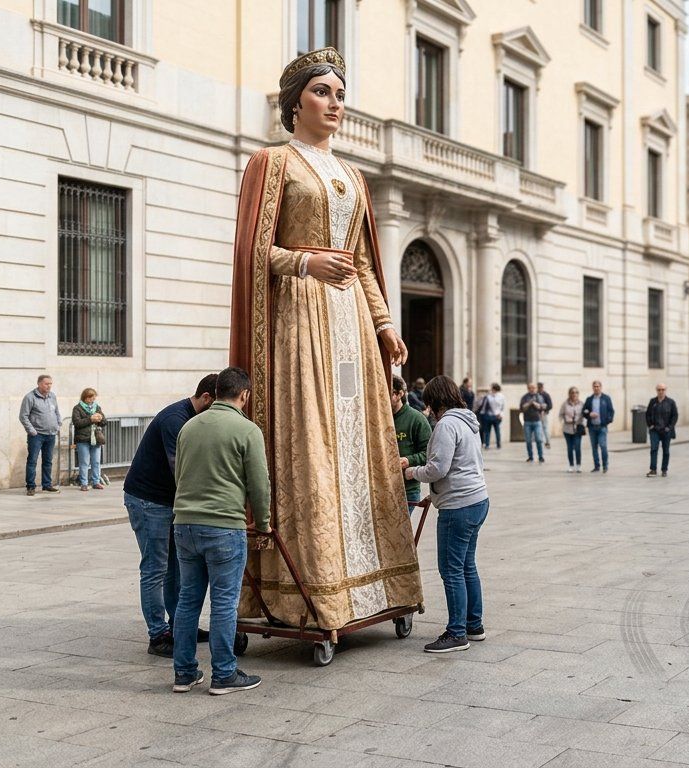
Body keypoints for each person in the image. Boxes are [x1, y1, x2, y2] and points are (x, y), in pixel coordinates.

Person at [228, 47, 422, 632]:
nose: (335, 103)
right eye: (321, 92)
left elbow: (362, 261)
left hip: (351, 327)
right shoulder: (272, 163)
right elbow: (252, 252)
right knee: (311, 441)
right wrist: (306, 263)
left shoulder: (354, 176)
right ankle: (308, 591)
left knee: (361, 442)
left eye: (339, 93)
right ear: (295, 103)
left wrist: (385, 325)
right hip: (300, 318)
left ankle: (373, 584)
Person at [171, 366, 269, 695]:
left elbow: (179, 475)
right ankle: (224, 673)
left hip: (185, 523)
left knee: (188, 601)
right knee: (225, 603)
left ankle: (184, 672)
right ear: (244, 395)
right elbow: (259, 485)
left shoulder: (189, 427)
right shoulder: (246, 430)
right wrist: (264, 522)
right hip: (224, 525)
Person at [124, 373, 218, 658]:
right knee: (155, 568)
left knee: (175, 567)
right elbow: (182, 470)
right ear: (205, 398)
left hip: (168, 502)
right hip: (148, 501)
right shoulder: (175, 421)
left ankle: (180, 626)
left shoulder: (191, 418)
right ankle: (158, 635)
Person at [405, 376, 490, 653]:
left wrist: (410, 472)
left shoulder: (446, 425)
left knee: (451, 569)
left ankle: (456, 633)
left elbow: (437, 468)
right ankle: (473, 625)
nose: (427, 408)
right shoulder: (468, 421)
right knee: (467, 565)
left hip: (459, 506)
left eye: (428, 403)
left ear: (435, 401)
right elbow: (463, 464)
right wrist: (438, 492)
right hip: (477, 499)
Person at [392, 375, 432, 511]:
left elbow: (430, 454)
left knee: (399, 532)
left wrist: (408, 460)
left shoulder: (417, 419)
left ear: (399, 394)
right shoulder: (375, 420)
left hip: (407, 490)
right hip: (379, 489)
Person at [19, 374, 61, 496]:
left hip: (51, 434)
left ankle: (47, 484)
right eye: (46, 383)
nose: (49, 386)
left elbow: (57, 412)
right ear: (39, 384)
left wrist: (58, 424)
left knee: (48, 461)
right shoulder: (30, 397)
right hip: (36, 435)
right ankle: (31, 486)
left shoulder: (52, 396)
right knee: (32, 460)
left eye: (50, 384)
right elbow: (23, 416)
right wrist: (32, 431)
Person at [72, 387, 106, 491]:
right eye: (90, 398)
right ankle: (84, 483)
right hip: (82, 439)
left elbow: (104, 422)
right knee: (84, 462)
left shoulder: (97, 407)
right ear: (85, 398)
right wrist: (90, 419)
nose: (92, 400)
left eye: (94, 398)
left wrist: (100, 419)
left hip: (96, 438)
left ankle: (96, 482)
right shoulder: (77, 408)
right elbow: (77, 423)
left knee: (96, 461)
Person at [645, 383, 679, 477]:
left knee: (666, 451)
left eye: (663, 389)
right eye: (659, 390)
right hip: (654, 430)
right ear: (656, 390)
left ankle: (664, 470)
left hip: (666, 431)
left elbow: (675, 416)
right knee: (654, 449)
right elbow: (647, 414)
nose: (661, 391)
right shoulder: (652, 401)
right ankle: (653, 469)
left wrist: (670, 427)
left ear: (665, 390)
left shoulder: (671, 402)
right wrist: (650, 425)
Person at [581, 380, 614, 473]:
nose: (596, 388)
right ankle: (596, 466)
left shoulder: (606, 398)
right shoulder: (589, 399)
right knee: (594, 447)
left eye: (598, 386)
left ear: (601, 387)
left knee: (603, 446)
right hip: (592, 427)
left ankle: (605, 465)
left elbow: (611, 411)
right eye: (594, 386)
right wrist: (589, 414)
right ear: (592, 388)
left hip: (602, 427)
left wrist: (607, 421)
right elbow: (584, 411)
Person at [559, 387, 586, 473]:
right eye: (572, 392)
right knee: (570, 448)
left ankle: (578, 465)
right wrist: (564, 420)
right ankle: (571, 465)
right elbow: (560, 415)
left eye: (576, 392)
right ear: (569, 394)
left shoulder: (582, 404)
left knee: (577, 447)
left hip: (578, 428)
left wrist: (583, 424)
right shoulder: (565, 404)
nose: (574, 394)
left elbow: (585, 416)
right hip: (567, 429)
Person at [520, 383, 546, 463]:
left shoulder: (539, 397)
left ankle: (541, 456)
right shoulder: (525, 397)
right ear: (528, 388)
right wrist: (529, 403)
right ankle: (530, 457)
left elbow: (542, 407)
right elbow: (522, 408)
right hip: (527, 421)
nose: (532, 389)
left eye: (534, 387)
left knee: (539, 439)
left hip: (537, 421)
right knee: (528, 440)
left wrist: (534, 403)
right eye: (530, 388)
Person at [478, 383, 505, 449]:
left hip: (497, 416)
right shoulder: (488, 396)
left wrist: (501, 414)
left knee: (497, 430)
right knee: (487, 431)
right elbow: (483, 406)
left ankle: (498, 444)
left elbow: (503, 407)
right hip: (488, 416)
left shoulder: (501, 396)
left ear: (495, 388)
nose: (491, 389)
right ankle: (487, 444)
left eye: (492, 388)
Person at [536, 381, 554, 448]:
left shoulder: (546, 395)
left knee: (545, 427)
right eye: (538, 387)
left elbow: (550, 405)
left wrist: (545, 410)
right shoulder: (536, 394)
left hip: (544, 414)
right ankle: (541, 441)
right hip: (537, 414)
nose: (540, 388)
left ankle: (547, 441)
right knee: (539, 428)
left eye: (540, 387)